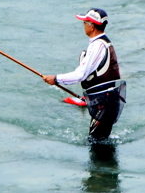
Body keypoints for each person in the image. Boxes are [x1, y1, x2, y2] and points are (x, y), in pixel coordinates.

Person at [44, 8, 126, 141]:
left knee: (97, 144)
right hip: (106, 100)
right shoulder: (103, 43)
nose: (83, 25)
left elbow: (80, 75)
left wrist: (56, 79)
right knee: (98, 141)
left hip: (105, 103)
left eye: (85, 22)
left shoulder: (97, 46)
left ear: (91, 26)